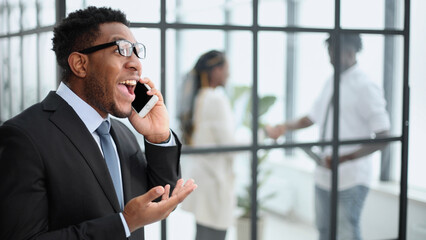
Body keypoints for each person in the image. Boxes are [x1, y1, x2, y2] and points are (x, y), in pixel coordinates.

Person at [0, 6, 197, 240]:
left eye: (136, 50)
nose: (136, 63)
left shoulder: (123, 134)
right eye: (122, 50)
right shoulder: (24, 137)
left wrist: (158, 137)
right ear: (80, 65)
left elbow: (159, 202)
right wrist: (124, 223)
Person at [265, 34, 390, 240]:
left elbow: (383, 137)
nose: (330, 59)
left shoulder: (366, 86)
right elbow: (311, 118)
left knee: (346, 233)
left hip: (351, 178)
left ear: (351, 52)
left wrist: (344, 158)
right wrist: (284, 127)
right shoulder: (331, 81)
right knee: (324, 231)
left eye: (334, 53)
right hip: (324, 175)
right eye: (329, 53)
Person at [178, 50, 236, 240]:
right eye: (226, 68)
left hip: (200, 177)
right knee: (214, 235)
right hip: (214, 180)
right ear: (216, 70)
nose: (229, 74)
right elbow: (230, 144)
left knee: (203, 234)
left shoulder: (197, 96)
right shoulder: (216, 99)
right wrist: (262, 135)